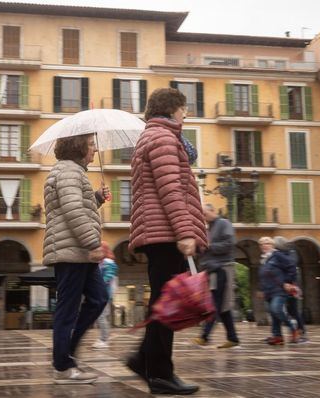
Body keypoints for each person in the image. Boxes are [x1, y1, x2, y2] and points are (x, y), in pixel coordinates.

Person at [126, 87, 208, 396]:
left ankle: (143, 358)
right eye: (184, 109)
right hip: (166, 233)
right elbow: (170, 189)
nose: (186, 115)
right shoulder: (162, 139)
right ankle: (160, 373)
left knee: (164, 301)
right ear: (172, 108)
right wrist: (185, 232)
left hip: (158, 231)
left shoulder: (155, 136)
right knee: (167, 304)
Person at [43, 133, 109, 384]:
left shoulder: (72, 172)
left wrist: (97, 198)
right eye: (91, 145)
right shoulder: (69, 172)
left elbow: (75, 205)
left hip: (79, 252)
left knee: (99, 298)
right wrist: (92, 243)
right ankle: (62, 366)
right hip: (72, 252)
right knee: (67, 310)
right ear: (79, 147)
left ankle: (66, 352)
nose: (94, 150)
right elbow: (72, 211)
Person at [191, 204, 240, 349]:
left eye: (205, 214)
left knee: (214, 303)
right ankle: (233, 338)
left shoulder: (224, 223)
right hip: (212, 269)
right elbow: (206, 249)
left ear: (213, 211)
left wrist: (207, 245)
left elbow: (229, 244)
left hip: (222, 268)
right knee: (223, 306)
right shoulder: (208, 229)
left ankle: (204, 336)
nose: (204, 218)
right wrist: (198, 248)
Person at [259, 237, 300, 345]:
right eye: (262, 244)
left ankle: (293, 327)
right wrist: (262, 290)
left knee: (276, 309)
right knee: (273, 313)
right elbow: (264, 276)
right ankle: (277, 336)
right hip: (269, 291)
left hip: (279, 289)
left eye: (266, 243)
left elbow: (291, 267)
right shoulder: (264, 259)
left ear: (272, 245)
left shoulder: (277, 255)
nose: (264, 245)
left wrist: (288, 282)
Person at [93, 242, 118, 349]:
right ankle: (103, 338)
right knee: (101, 316)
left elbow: (107, 278)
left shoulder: (109, 263)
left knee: (102, 316)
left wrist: (98, 284)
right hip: (101, 293)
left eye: (99, 249)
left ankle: (104, 340)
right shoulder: (102, 263)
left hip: (104, 294)